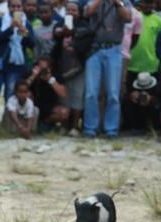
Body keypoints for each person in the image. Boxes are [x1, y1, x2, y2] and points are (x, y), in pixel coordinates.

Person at [83, 0, 131, 138]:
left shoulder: (124, 2)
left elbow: (127, 17)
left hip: (114, 50)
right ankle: (90, 128)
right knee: (91, 92)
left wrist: (117, 3)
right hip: (94, 50)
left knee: (113, 93)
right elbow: (87, 12)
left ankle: (111, 129)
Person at [54, 0, 87, 136]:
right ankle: (64, 125)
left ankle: (74, 126)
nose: (71, 13)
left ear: (79, 13)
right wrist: (63, 31)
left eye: (74, 10)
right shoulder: (60, 24)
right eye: (68, 10)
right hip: (62, 67)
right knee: (64, 97)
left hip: (78, 68)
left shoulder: (84, 26)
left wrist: (73, 33)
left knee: (77, 96)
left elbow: (84, 44)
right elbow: (55, 34)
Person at [0, 0, 34, 101]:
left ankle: (7, 116)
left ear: (22, 8)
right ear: (8, 7)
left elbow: (31, 44)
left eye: (18, 7)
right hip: (0, 62)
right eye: (13, 6)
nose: (16, 9)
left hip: (16, 65)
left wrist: (23, 31)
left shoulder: (26, 23)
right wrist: (10, 29)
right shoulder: (0, 20)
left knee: (10, 93)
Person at [127, 0, 161, 89]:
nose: (148, 5)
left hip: (151, 65)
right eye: (146, 2)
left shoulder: (159, 21)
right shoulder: (133, 17)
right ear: (140, 3)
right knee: (131, 95)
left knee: (152, 96)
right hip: (132, 64)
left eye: (150, 3)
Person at [26, 57, 70, 128]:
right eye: (40, 68)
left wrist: (50, 79)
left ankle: (44, 123)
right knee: (27, 93)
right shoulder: (30, 73)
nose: (42, 71)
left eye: (44, 68)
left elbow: (63, 94)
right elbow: (21, 88)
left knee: (64, 113)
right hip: (33, 105)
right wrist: (33, 76)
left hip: (49, 105)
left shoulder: (56, 76)